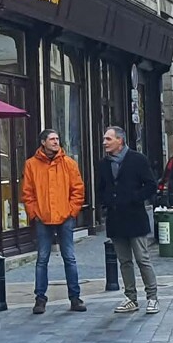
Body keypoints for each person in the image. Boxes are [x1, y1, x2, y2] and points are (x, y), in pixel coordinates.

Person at [20, 129, 86, 314]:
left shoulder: (69, 163)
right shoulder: (31, 165)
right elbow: (27, 193)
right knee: (42, 259)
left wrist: (72, 211)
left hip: (65, 217)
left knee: (69, 258)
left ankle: (75, 297)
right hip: (43, 217)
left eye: (57, 139)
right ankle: (40, 298)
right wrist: (34, 213)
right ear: (43, 142)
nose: (56, 142)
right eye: (52, 139)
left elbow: (78, 190)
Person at [96, 126, 159, 314]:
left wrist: (134, 198)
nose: (104, 142)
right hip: (116, 219)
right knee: (124, 261)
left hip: (135, 217)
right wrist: (107, 202)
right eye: (104, 139)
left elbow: (151, 185)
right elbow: (101, 188)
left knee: (142, 258)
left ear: (120, 141)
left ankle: (152, 297)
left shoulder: (137, 160)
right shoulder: (104, 164)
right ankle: (130, 298)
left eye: (108, 139)